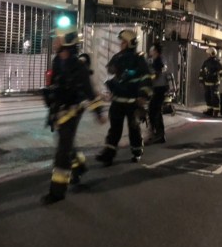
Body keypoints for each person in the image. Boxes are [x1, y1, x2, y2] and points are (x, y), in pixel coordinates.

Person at [41, 26, 106, 204]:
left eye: (58, 39)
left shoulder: (79, 67)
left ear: (67, 42)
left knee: (62, 150)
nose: (55, 42)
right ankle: (79, 167)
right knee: (67, 143)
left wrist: (99, 112)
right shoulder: (56, 61)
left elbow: (90, 92)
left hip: (73, 111)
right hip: (59, 109)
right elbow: (55, 84)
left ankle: (57, 191)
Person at [95, 29, 152, 166]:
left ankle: (137, 151)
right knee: (114, 130)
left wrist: (143, 96)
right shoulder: (118, 57)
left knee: (134, 129)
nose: (121, 44)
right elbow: (110, 72)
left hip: (133, 102)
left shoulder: (139, 59)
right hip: (118, 101)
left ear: (129, 43)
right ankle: (108, 155)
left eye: (123, 42)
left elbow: (146, 79)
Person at [147, 42, 168, 144]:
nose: (150, 51)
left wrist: (147, 79)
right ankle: (157, 133)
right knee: (153, 110)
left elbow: (156, 75)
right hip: (159, 88)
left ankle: (159, 134)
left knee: (154, 110)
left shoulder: (158, 60)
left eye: (151, 49)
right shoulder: (158, 60)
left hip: (159, 88)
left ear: (155, 51)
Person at [198, 47, 222, 117]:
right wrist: (201, 80)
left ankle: (216, 111)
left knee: (215, 97)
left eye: (208, 53)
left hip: (215, 83)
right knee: (207, 96)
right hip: (207, 83)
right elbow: (202, 72)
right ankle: (210, 110)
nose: (207, 55)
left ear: (210, 54)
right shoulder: (206, 62)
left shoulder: (217, 62)